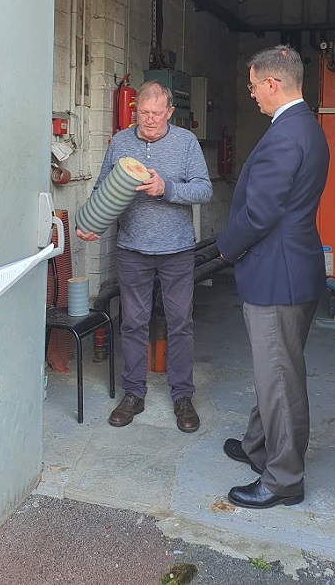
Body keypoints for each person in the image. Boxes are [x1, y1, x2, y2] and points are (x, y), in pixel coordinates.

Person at [216, 45, 329, 509]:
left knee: (279, 377)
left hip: (277, 273)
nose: (252, 95)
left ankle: (284, 479)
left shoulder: (285, 134)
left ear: (272, 84)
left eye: (252, 86)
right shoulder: (308, 127)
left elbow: (261, 213)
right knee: (274, 368)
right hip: (293, 265)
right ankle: (256, 446)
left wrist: (225, 247)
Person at [77, 80, 212, 432]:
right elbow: (102, 188)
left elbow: (204, 189)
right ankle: (133, 394)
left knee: (180, 323)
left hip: (177, 250)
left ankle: (182, 396)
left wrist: (165, 188)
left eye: (157, 113)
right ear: (135, 110)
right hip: (132, 249)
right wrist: (92, 223)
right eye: (143, 113)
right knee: (132, 323)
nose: (149, 120)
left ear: (170, 112)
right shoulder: (121, 141)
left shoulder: (186, 143)